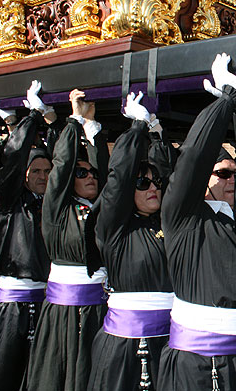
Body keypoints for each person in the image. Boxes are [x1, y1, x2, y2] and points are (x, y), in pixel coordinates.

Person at [158, 54, 236, 391]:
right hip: (203, 365)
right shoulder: (185, 217)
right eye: (222, 173)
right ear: (204, 181)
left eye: (234, 174)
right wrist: (226, 102)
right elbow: (192, 158)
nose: (231, 179)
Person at [0, 81, 55, 391]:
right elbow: (12, 160)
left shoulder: (52, 205)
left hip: (46, 302)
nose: (42, 177)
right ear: (22, 175)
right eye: (36, 171)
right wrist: (30, 118)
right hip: (12, 305)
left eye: (47, 172)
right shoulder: (8, 201)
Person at [90, 92, 174, 391]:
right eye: (142, 183)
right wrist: (137, 126)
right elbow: (118, 178)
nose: (153, 187)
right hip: (125, 346)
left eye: (156, 183)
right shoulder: (114, 228)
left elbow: (170, 173)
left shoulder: (167, 225)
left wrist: (157, 134)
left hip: (171, 341)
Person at [27, 88, 109, 391]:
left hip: (100, 311)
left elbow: (107, 172)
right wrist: (74, 119)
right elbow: (61, 165)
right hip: (65, 313)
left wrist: (92, 128)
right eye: (81, 173)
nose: (90, 177)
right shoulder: (58, 209)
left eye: (92, 174)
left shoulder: (99, 210)